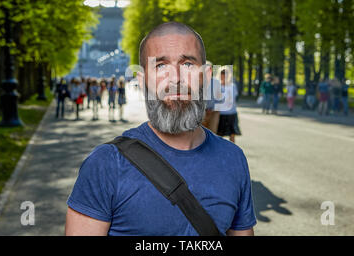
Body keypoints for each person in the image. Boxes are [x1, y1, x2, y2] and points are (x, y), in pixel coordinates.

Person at [65, 21, 256, 236]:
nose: (175, 79)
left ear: (206, 75)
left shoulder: (233, 159)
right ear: (143, 79)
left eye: (187, 64)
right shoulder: (105, 164)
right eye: (160, 65)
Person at [216, 68, 241, 143]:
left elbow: (232, 99)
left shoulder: (233, 86)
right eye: (222, 73)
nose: (223, 75)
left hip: (231, 113)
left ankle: (232, 151)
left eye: (225, 73)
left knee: (232, 134)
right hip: (220, 113)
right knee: (219, 134)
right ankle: (219, 152)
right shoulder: (217, 86)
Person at [201, 61, 222, 134]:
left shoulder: (216, 82)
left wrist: (212, 110)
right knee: (200, 135)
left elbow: (220, 99)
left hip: (214, 112)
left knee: (212, 133)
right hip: (200, 112)